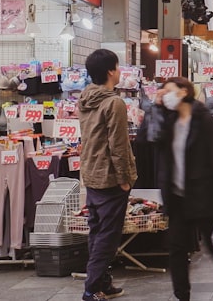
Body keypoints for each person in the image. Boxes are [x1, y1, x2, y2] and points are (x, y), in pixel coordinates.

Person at [153, 78, 213, 301]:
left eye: (170, 91)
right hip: (177, 196)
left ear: (184, 92)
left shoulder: (204, 119)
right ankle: (182, 296)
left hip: (204, 194)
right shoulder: (169, 119)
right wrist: (156, 107)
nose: (166, 95)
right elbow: (151, 136)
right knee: (176, 249)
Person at [78, 49, 137, 301]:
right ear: (111, 71)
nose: (120, 70)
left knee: (97, 230)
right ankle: (91, 288)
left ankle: (102, 282)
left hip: (91, 173)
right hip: (110, 177)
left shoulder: (85, 98)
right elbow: (119, 145)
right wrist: (125, 178)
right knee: (108, 236)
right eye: (118, 66)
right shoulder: (114, 102)